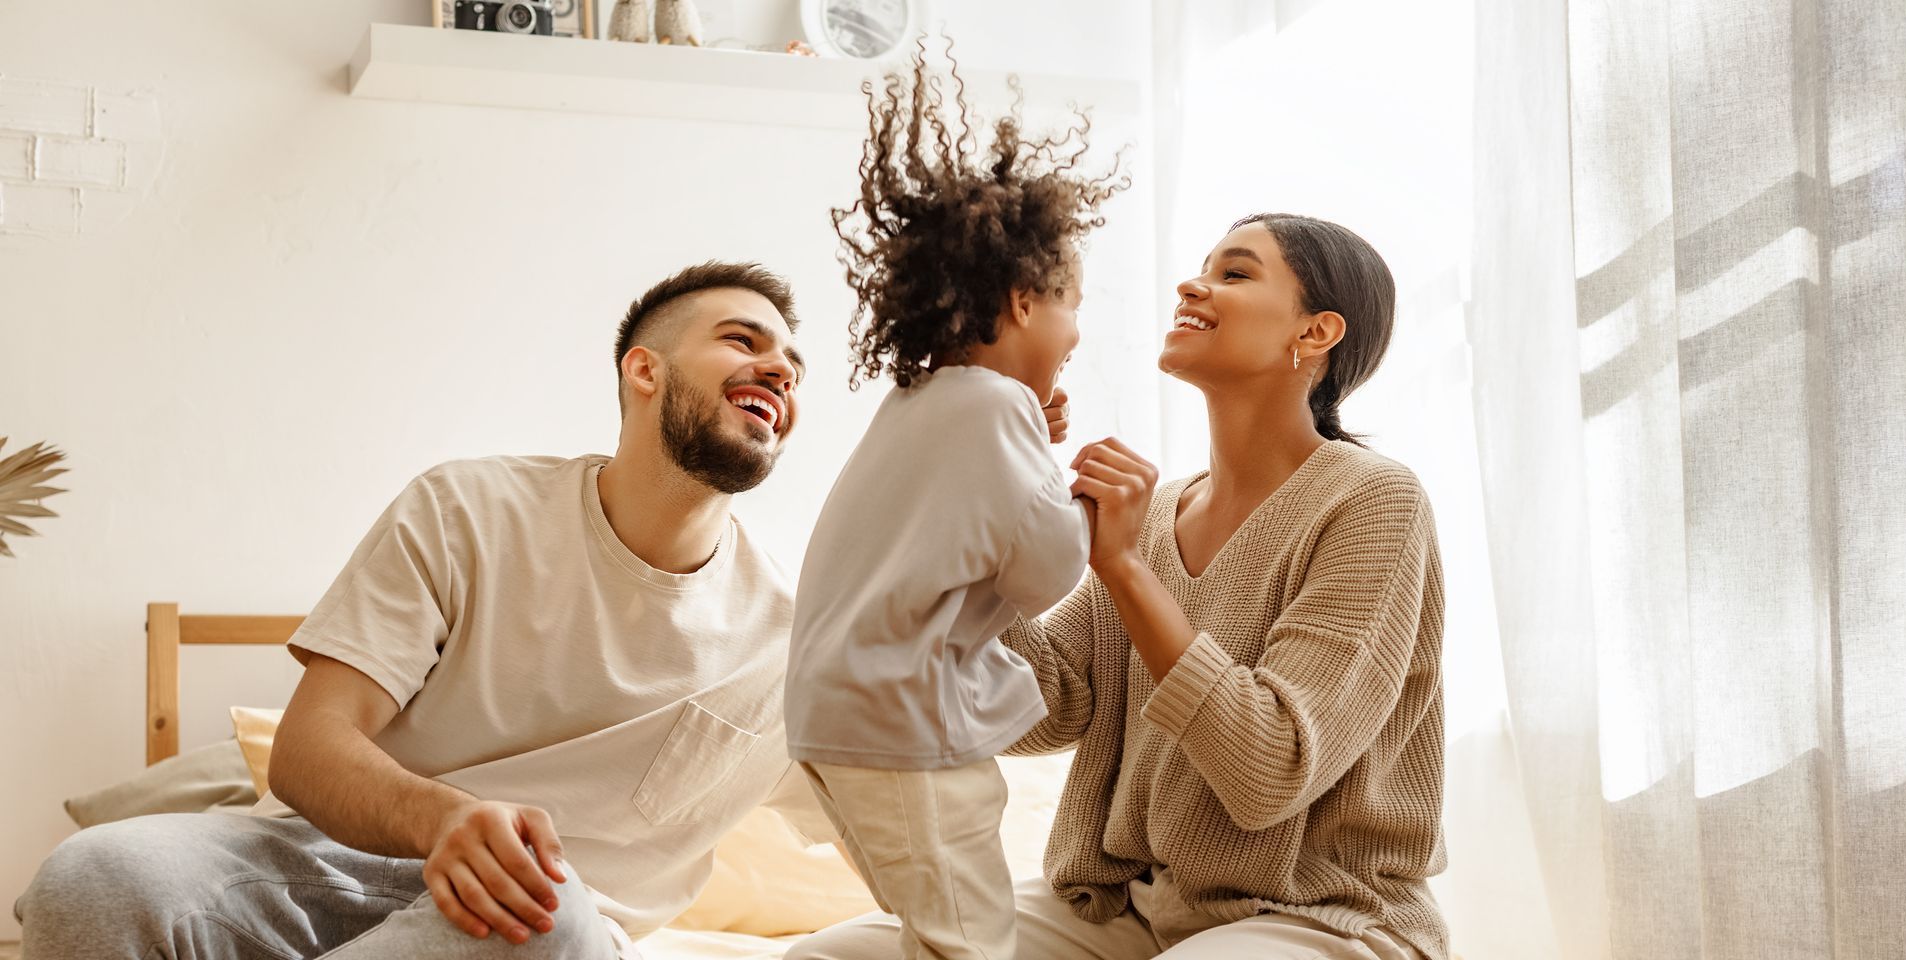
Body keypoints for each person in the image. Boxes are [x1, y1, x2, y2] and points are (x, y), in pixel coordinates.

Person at [17, 261, 836, 959]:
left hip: (518, 934)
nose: (779, 369)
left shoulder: (799, 644)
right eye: (743, 339)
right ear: (644, 370)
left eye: (793, 363)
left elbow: (911, 830)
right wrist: (443, 819)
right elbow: (307, 750)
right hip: (318, 863)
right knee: (92, 875)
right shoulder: (471, 509)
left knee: (546, 919)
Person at [789, 213, 1450, 960]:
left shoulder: (1373, 502)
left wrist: (1125, 568)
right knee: (832, 957)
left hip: (1318, 914)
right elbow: (1053, 705)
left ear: (1318, 333)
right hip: (1129, 911)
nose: (1191, 284)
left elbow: (1271, 769)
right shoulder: (1157, 510)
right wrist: (983, 506)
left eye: (1235, 273)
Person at [781, 42, 1126, 960]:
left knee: (931, 933)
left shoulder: (924, 400)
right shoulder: (998, 405)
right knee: (970, 942)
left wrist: (1033, 454)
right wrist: (1097, 510)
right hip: (903, 725)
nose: (1075, 338)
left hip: (832, 718)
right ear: (1021, 303)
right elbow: (1046, 562)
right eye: (1072, 311)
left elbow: (970, 529)